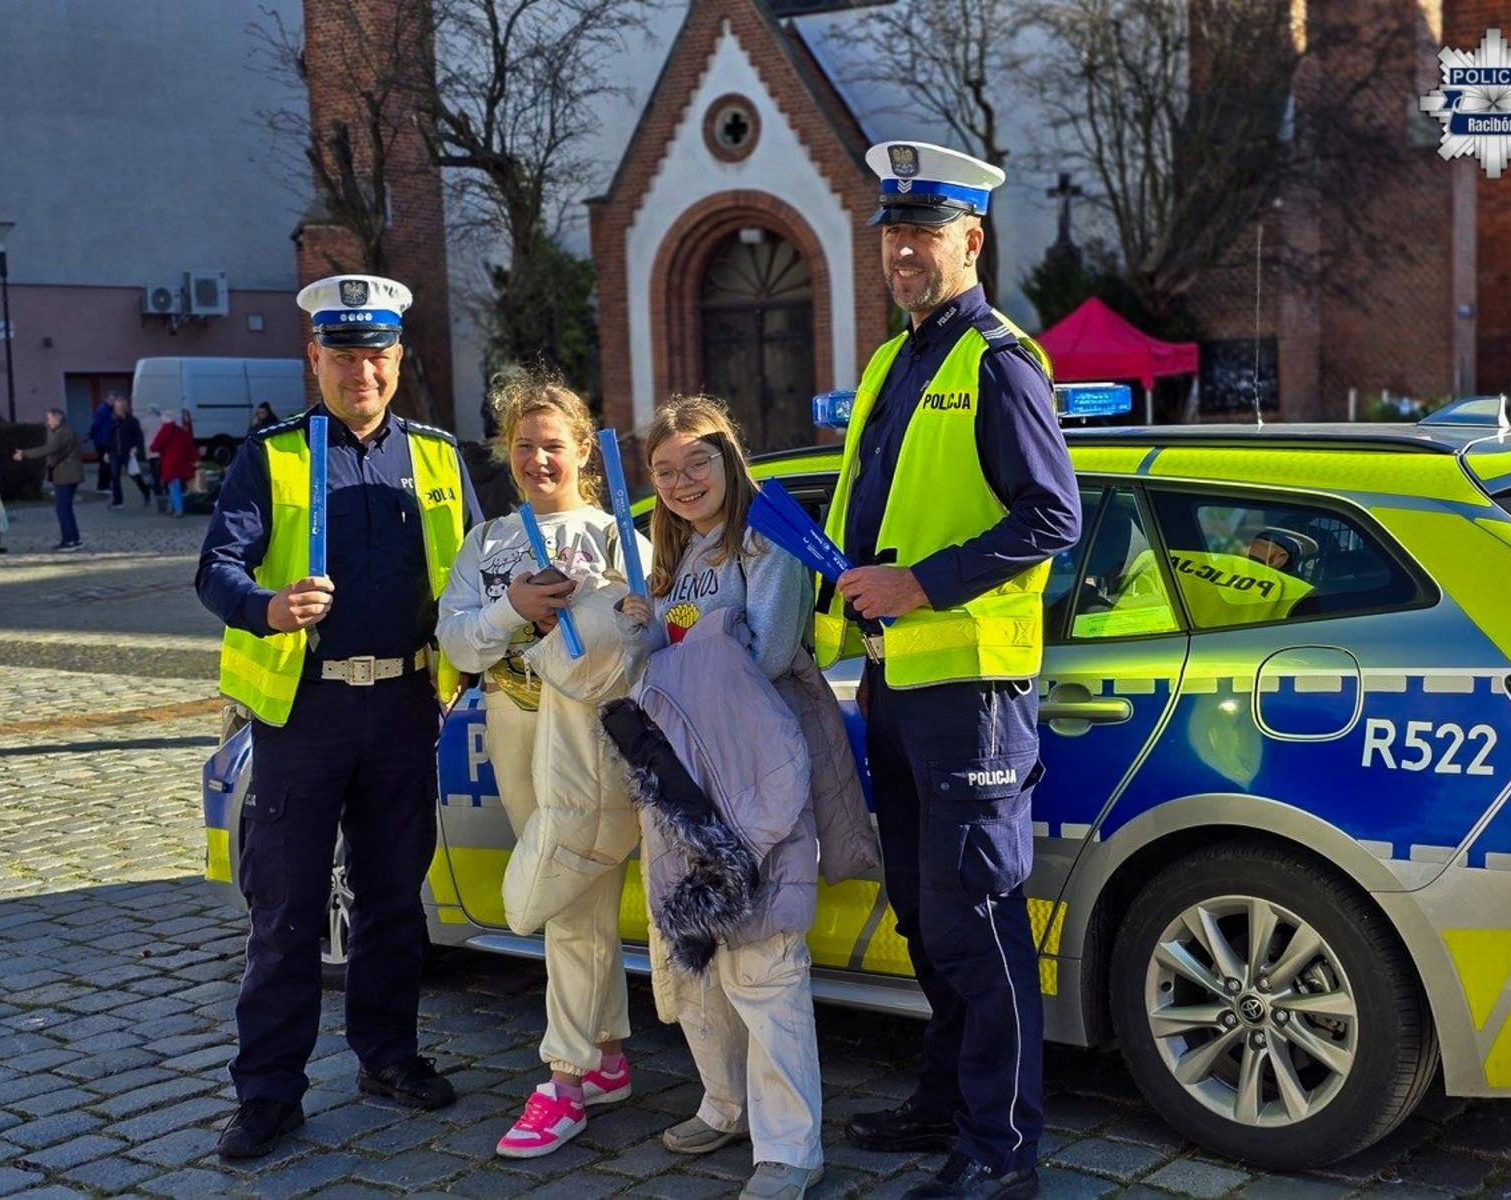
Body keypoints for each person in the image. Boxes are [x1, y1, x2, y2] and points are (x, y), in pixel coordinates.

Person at [820, 142, 1082, 1200]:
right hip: (898, 681)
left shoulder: (999, 359)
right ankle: (947, 1097)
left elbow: (1050, 517)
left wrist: (922, 584)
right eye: (892, 233)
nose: (903, 252)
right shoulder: (896, 359)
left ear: (970, 240)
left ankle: (1001, 1150)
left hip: (970, 693)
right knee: (929, 920)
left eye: (923, 234)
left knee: (974, 919)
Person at [196, 274, 480, 1160]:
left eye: (378, 353)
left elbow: (477, 569)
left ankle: (387, 1056)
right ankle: (270, 1093)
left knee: (395, 902)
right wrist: (268, 606)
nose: (364, 369)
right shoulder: (272, 454)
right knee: (287, 910)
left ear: (399, 359)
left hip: (404, 705)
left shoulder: (436, 455)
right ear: (316, 358)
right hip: (305, 713)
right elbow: (216, 570)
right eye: (345, 353)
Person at [615, 396, 859, 1200]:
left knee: (763, 957)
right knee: (693, 951)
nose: (683, 481)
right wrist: (642, 625)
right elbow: (677, 662)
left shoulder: (766, 537)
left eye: (698, 462)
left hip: (756, 768)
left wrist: (676, 654)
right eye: (665, 470)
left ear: (730, 459)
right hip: (684, 779)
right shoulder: (680, 555)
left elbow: (769, 650)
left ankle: (790, 1148)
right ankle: (725, 1104)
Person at [434, 368, 650, 1160]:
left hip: (589, 733)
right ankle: (608, 1056)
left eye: (552, 445)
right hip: (509, 728)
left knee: (567, 893)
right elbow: (454, 641)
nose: (537, 460)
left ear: (584, 450)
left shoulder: (620, 530)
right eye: (523, 446)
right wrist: (510, 609)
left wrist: (620, 610)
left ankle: (564, 1077)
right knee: (575, 900)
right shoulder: (486, 541)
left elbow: (652, 638)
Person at [13, 408, 85, 551]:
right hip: (69, 474)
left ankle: (69, 541)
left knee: (62, 509)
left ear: (57, 419)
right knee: (67, 509)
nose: (48, 422)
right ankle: (75, 539)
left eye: (49, 418)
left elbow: (48, 449)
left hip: (65, 475)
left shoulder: (62, 433)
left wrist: (25, 454)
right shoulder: (66, 431)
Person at [151, 413, 199, 517]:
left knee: (173, 486)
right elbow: (189, 446)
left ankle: (178, 509)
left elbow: (154, 446)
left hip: (169, 463)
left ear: (164, 421)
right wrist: (196, 459)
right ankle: (170, 507)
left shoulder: (164, 430)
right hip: (181, 463)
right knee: (173, 485)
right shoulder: (180, 431)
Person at [108, 394, 151, 509]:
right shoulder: (113, 420)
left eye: (120, 407)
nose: (118, 409)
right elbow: (108, 437)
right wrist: (106, 452)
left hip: (128, 452)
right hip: (114, 452)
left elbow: (138, 436)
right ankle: (118, 501)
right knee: (114, 475)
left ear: (125, 407)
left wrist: (136, 447)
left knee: (134, 474)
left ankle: (146, 492)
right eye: (116, 407)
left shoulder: (132, 421)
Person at [88, 395, 115, 494]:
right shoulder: (104, 410)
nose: (112, 401)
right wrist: (91, 434)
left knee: (106, 463)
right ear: (106, 399)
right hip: (101, 441)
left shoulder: (109, 410)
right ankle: (102, 486)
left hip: (105, 440)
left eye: (113, 399)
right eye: (110, 399)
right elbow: (96, 424)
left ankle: (105, 485)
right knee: (105, 464)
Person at [141, 405, 165, 508]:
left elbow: (141, 431)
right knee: (161, 470)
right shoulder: (161, 420)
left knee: (153, 470)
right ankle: (163, 487)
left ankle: (157, 488)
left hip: (149, 450)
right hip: (160, 449)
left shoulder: (143, 421)